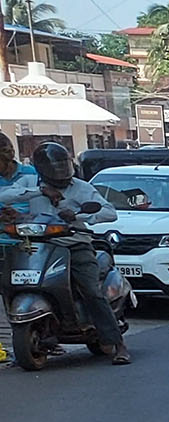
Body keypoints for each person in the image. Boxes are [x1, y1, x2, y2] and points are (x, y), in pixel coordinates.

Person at [0, 141, 128, 363]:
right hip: (37, 246)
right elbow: (5, 197)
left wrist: (79, 217)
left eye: (62, 165)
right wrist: (38, 191)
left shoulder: (81, 187)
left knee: (90, 289)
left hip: (74, 244)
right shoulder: (30, 182)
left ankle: (117, 343)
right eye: (53, 167)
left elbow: (109, 213)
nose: (59, 172)